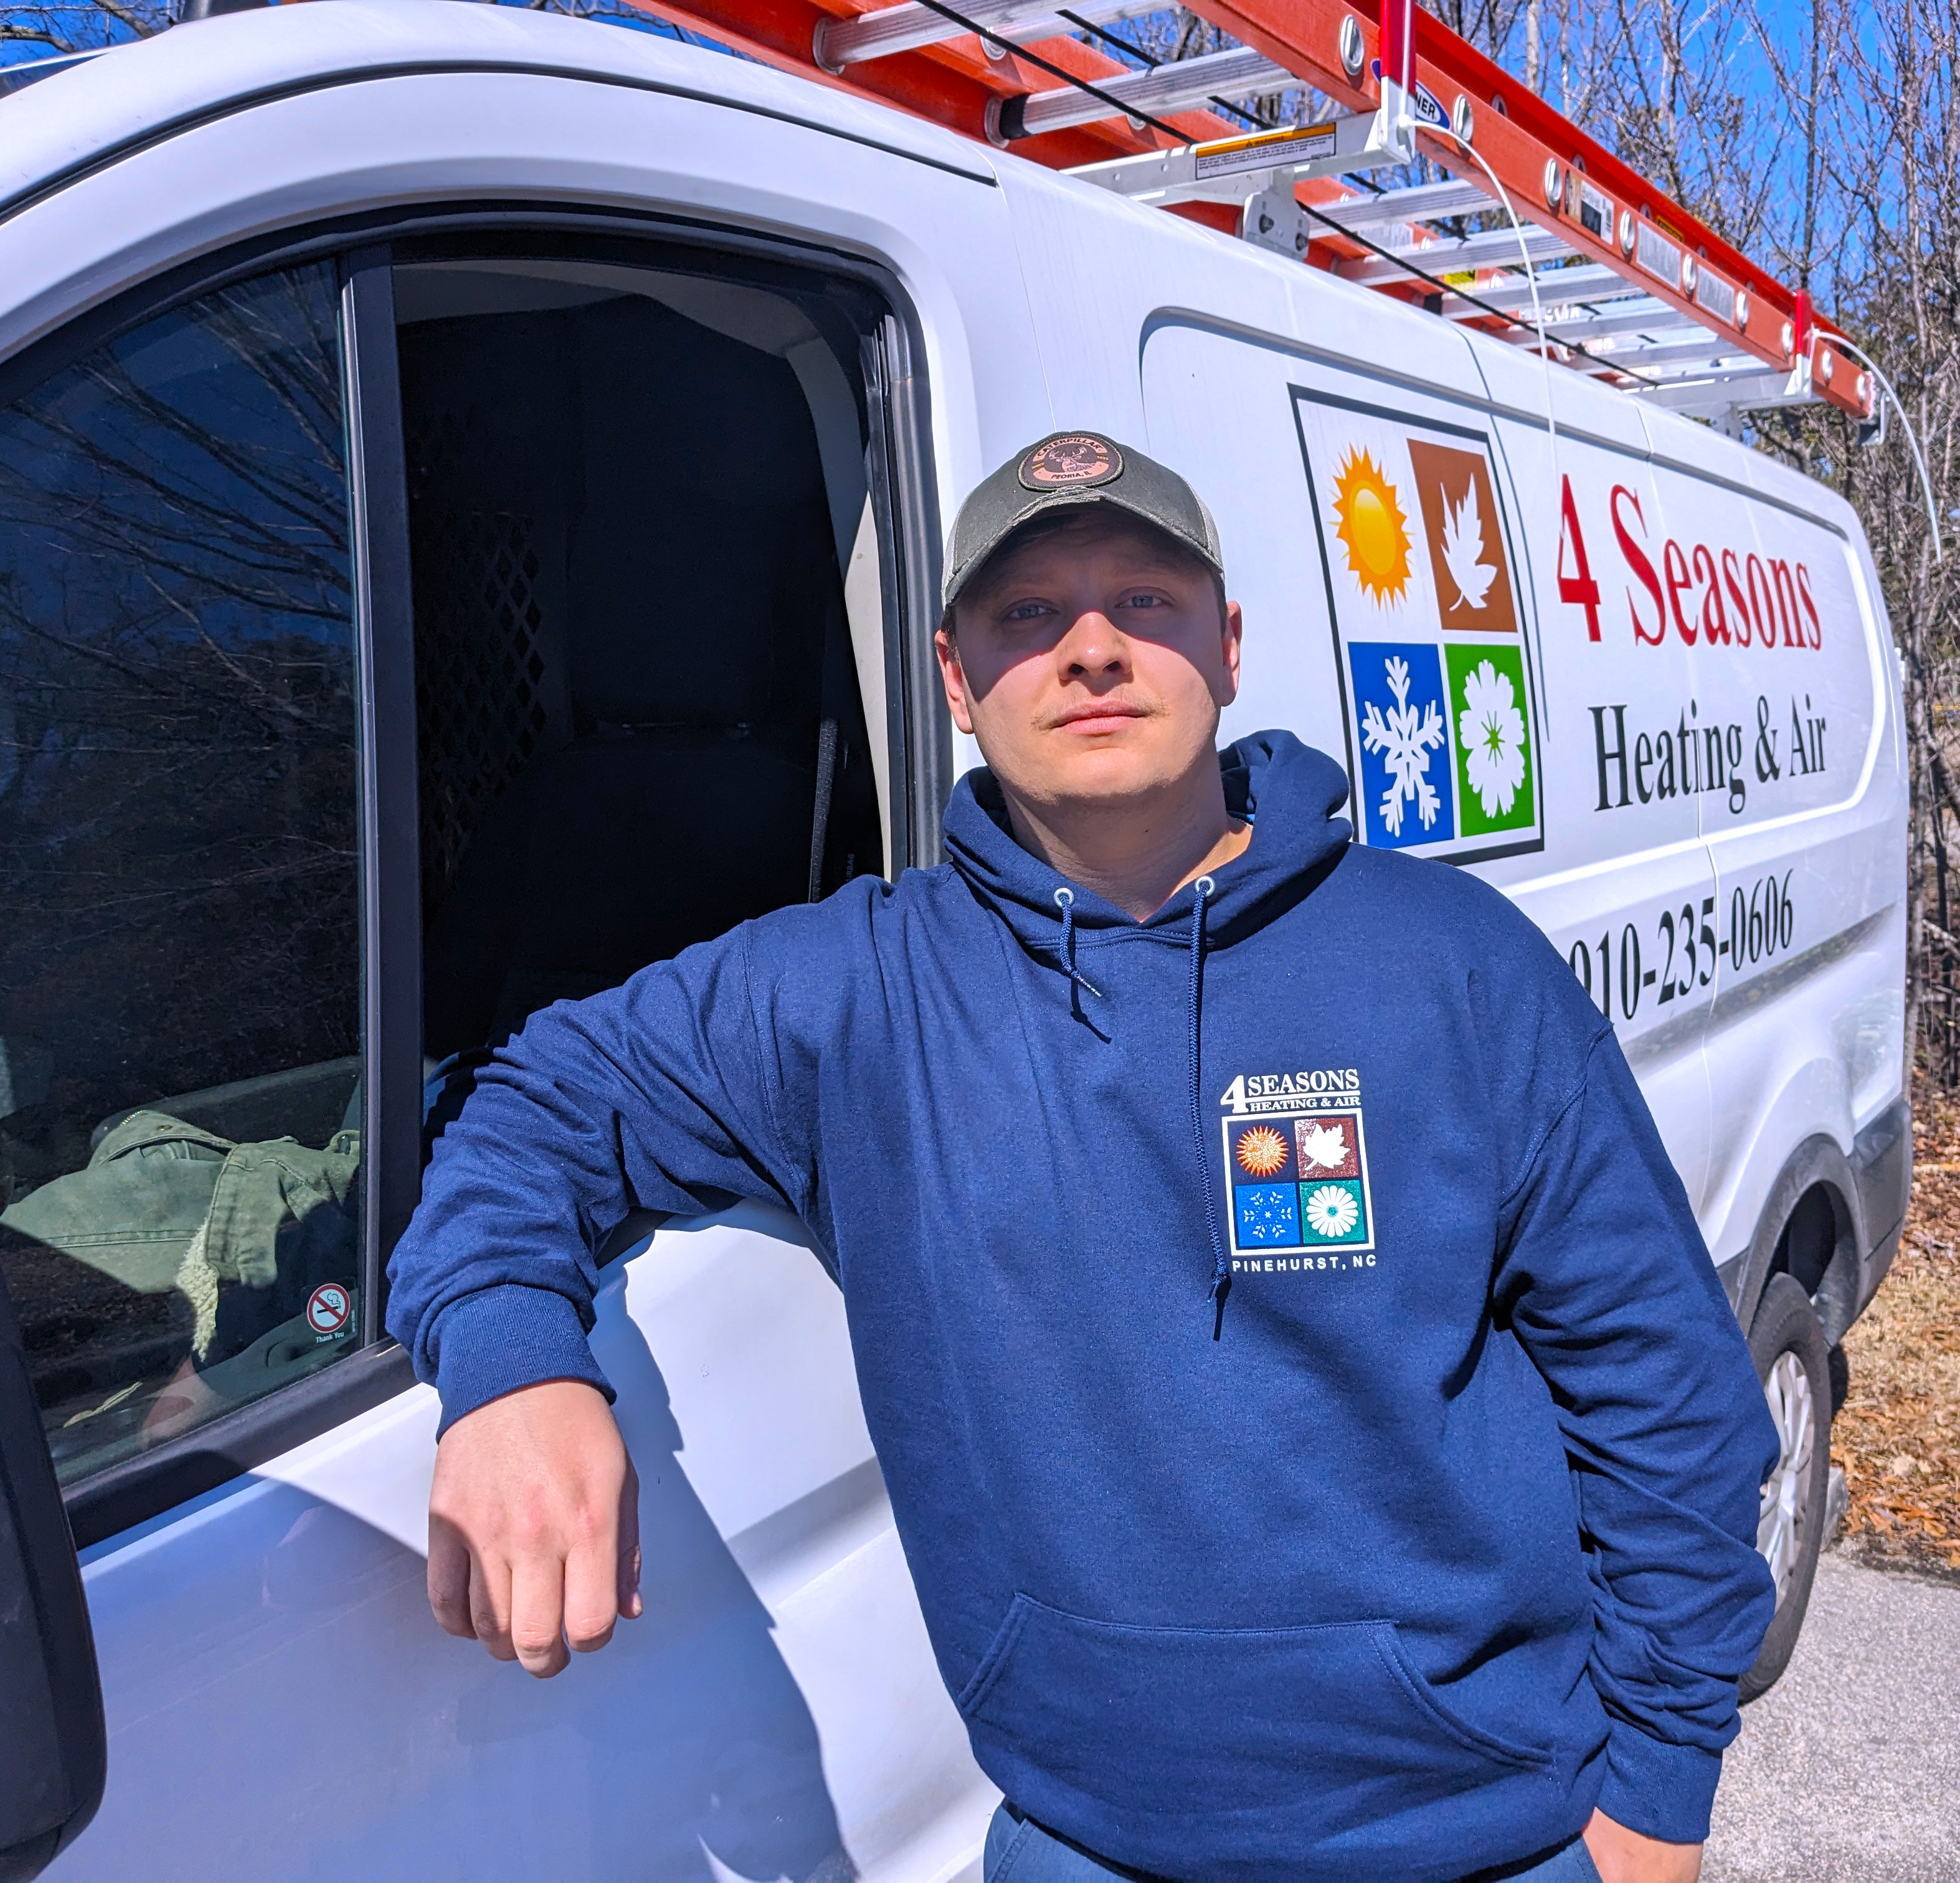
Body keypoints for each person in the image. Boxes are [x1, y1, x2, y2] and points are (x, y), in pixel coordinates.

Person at [387, 431, 1777, 1883]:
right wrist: (512, 1366)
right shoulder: (855, 993)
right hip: (1085, 1842)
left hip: (1484, 1839)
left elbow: (1668, 1392)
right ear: (953, 679)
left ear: (1230, 649)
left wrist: (1660, 1797)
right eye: (1029, 615)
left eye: (1146, 602)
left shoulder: (1451, 966)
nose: (1092, 649)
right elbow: (542, 1094)